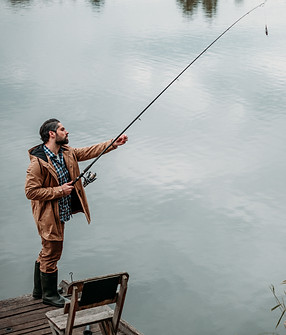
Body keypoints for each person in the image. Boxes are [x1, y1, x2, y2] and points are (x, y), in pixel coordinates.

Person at [25, 118, 128, 307]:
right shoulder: (37, 163)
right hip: (48, 216)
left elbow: (88, 151)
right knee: (52, 252)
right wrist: (59, 191)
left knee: (47, 250)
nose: (67, 132)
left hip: (60, 212)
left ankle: (40, 290)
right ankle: (49, 296)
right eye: (63, 129)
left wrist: (113, 143)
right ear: (52, 134)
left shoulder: (66, 152)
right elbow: (30, 192)